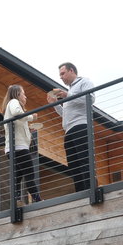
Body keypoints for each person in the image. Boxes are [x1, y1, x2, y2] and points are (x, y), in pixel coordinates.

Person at [47, 62, 95, 192]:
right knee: (74, 165)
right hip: (68, 130)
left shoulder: (84, 82)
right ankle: (81, 194)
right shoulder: (70, 91)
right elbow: (65, 114)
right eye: (60, 75)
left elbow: (89, 99)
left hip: (81, 126)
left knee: (85, 160)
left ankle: (91, 190)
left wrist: (67, 95)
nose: (61, 77)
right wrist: (55, 104)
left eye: (63, 73)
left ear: (72, 70)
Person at [2, 84, 42, 204]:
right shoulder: (14, 102)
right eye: (24, 93)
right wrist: (31, 117)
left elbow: (17, 122)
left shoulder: (10, 104)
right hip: (18, 148)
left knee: (18, 175)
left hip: (13, 148)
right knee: (29, 173)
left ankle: (17, 200)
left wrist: (28, 130)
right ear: (17, 94)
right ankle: (37, 199)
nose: (25, 97)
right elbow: (16, 112)